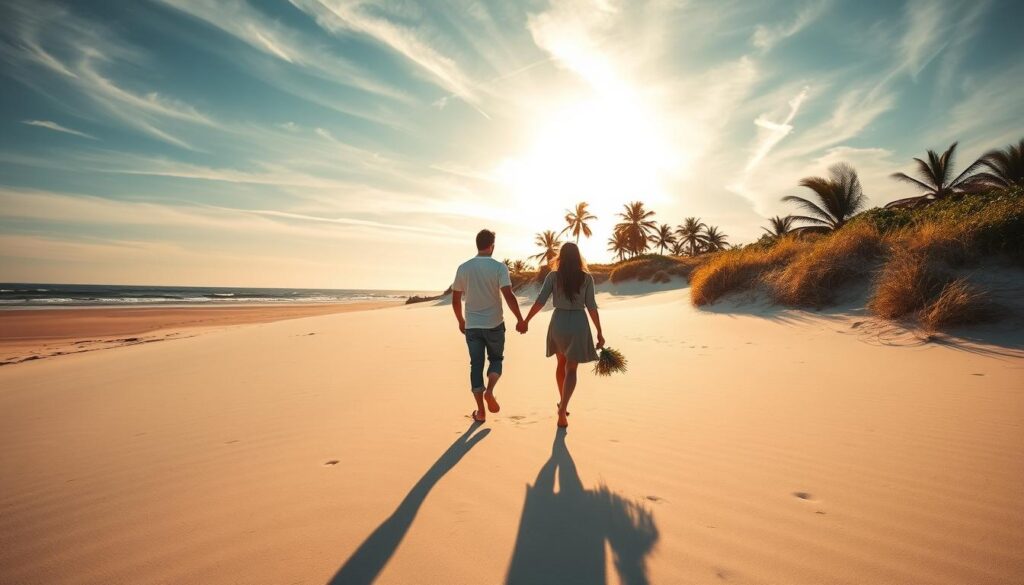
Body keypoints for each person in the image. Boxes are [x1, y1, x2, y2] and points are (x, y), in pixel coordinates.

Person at [519, 242, 604, 428]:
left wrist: (526, 320)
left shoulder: (553, 276)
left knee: (561, 364)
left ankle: (562, 405)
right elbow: (591, 306)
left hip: (558, 322)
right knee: (572, 369)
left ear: (561, 257)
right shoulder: (586, 278)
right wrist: (599, 332)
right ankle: (563, 408)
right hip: (578, 323)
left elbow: (541, 301)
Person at [451, 229, 526, 422]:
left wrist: (461, 321)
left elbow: (456, 299)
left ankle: (481, 412)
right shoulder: (499, 267)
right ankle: (490, 390)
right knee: (496, 359)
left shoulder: (464, 268)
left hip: (472, 326)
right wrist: (520, 319)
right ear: (492, 246)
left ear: (477, 245)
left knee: (475, 365)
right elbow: (509, 295)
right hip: (494, 324)